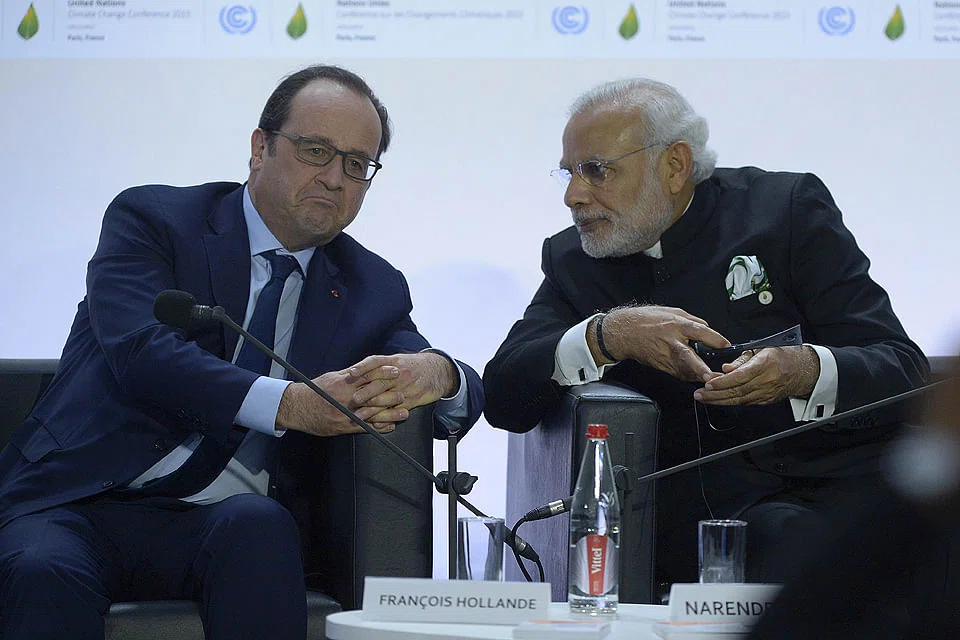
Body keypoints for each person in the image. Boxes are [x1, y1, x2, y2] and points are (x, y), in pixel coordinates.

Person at [0, 65, 483, 639]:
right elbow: (142, 352)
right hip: (78, 500)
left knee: (260, 527)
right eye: (316, 151)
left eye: (357, 164)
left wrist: (440, 373)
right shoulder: (155, 222)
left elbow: (436, 377)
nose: (335, 178)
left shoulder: (370, 286)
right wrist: (292, 405)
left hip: (221, 523)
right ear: (260, 148)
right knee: (41, 568)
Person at [482, 77, 927, 594]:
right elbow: (504, 396)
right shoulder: (576, 258)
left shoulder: (784, 212)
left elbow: (903, 369)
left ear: (674, 165)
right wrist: (605, 335)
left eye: (596, 170)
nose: (572, 195)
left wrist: (805, 370)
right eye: (569, 172)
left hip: (829, 493)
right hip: (690, 525)